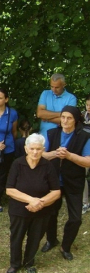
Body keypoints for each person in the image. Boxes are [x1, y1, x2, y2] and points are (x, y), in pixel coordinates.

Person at [5, 134, 60, 273]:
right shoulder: (17, 164)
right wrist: (31, 200)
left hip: (42, 210)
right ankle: (15, 264)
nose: (35, 152)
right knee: (16, 237)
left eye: (38, 149)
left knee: (35, 237)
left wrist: (40, 203)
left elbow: (56, 192)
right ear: (26, 149)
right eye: (32, 149)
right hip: (19, 209)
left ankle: (29, 262)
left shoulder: (48, 166)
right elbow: (10, 189)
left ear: (43, 149)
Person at [40, 106, 90, 260]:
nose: (65, 121)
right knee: (50, 213)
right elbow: (41, 154)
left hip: (74, 181)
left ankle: (65, 246)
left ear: (76, 119)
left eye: (69, 118)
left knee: (76, 218)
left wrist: (69, 156)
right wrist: (54, 153)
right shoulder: (52, 133)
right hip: (54, 180)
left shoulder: (84, 136)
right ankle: (51, 240)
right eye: (63, 117)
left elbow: (87, 161)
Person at [37, 73, 77, 139]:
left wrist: (46, 118)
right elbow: (40, 114)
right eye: (52, 86)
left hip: (61, 137)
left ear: (64, 85)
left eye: (57, 87)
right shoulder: (45, 93)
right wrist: (61, 114)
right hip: (44, 136)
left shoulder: (71, 98)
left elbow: (66, 121)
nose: (54, 90)